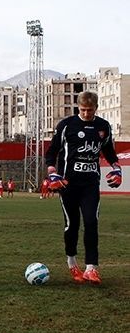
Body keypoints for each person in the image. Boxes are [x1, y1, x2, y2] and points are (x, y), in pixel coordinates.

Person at [45, 91, 121, 285]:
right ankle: (72, 263)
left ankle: (91, 269)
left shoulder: (103, 127)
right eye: (83, 110)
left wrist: (116, 168)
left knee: (91, 222)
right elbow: (52, 151)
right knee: (72, 225)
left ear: (96, 108)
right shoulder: (67, 126)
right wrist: (52, 172)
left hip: (90, 184)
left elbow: (109, 151)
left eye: (90, 110)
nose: (87, 113)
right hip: (68, 185)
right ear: (78, 108)